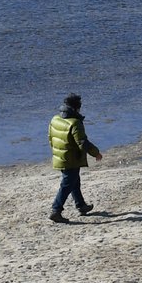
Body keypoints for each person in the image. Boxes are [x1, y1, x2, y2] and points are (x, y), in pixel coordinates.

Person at [47, 92, 103, 223]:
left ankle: (81, 205)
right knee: (67, 184)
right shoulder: (75, 123)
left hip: (60, 157)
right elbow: (82, 143)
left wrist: (57, 152)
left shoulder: (55, 119)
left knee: (74, 182)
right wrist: (96, 153)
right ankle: (56, 210)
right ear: (77, 108)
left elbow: (50, 137)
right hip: (71, 159)